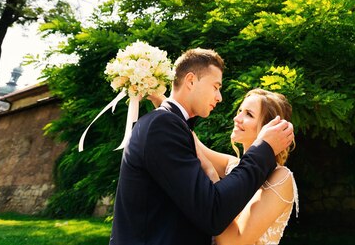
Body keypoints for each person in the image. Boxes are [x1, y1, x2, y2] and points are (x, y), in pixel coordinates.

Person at [109, 48, 294, 245]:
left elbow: (195, 142)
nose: (220, 97)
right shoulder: (163, 125)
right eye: (215, 86)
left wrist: (161, 100)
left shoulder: (167, 124)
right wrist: (264, 146)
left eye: (248, 114)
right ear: (190, 81)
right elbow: (213, 211)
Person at [197, 88, 298, 245]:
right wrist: (157, 91)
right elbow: (193, 145)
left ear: (267, 128)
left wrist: (212, 176)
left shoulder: (280, 177)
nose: (237, 118)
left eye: (249, 114)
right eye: (240, 111)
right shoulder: (235, 166)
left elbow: (232, 242)